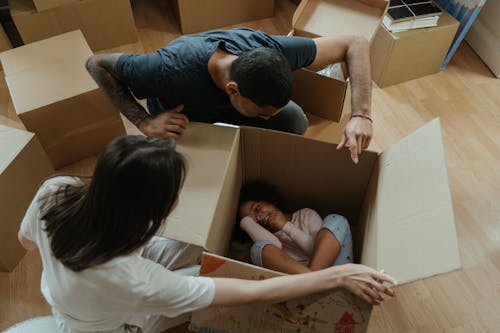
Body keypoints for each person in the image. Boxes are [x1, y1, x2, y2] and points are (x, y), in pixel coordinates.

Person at [18, 135, 395, 333]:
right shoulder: (134, 281)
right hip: (114, 325)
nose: (180, 198)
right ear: (150, 212)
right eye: (174, 194)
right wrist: (339, 274)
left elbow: (26, 241)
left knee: (195, 252)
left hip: (82, 292)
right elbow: (255, 290)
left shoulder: (57, 191)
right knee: (217, 273)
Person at [85, 28, 373, 164]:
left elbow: (355, 41)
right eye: (262, 112)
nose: (266, 118)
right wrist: (144, 122)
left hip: (226, 106)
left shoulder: (274, 49)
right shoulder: (166, 69)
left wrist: (361, 114)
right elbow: (96, 64)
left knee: (295, 121)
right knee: (175, 170)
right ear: (233, 90)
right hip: (180, 117)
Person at [238, 181, 353, 274]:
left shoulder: (305, 215)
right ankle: (313, 284)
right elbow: (275, 246)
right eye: (251, 221)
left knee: (336, 219)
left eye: (257, 208)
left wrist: (286, 226)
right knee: (258, 248)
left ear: (271, 200)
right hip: (301, 288)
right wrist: (246, 222)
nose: (257, 217)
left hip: (333, 272)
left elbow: (317, 250)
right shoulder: (268, 245)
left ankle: (313, 283)